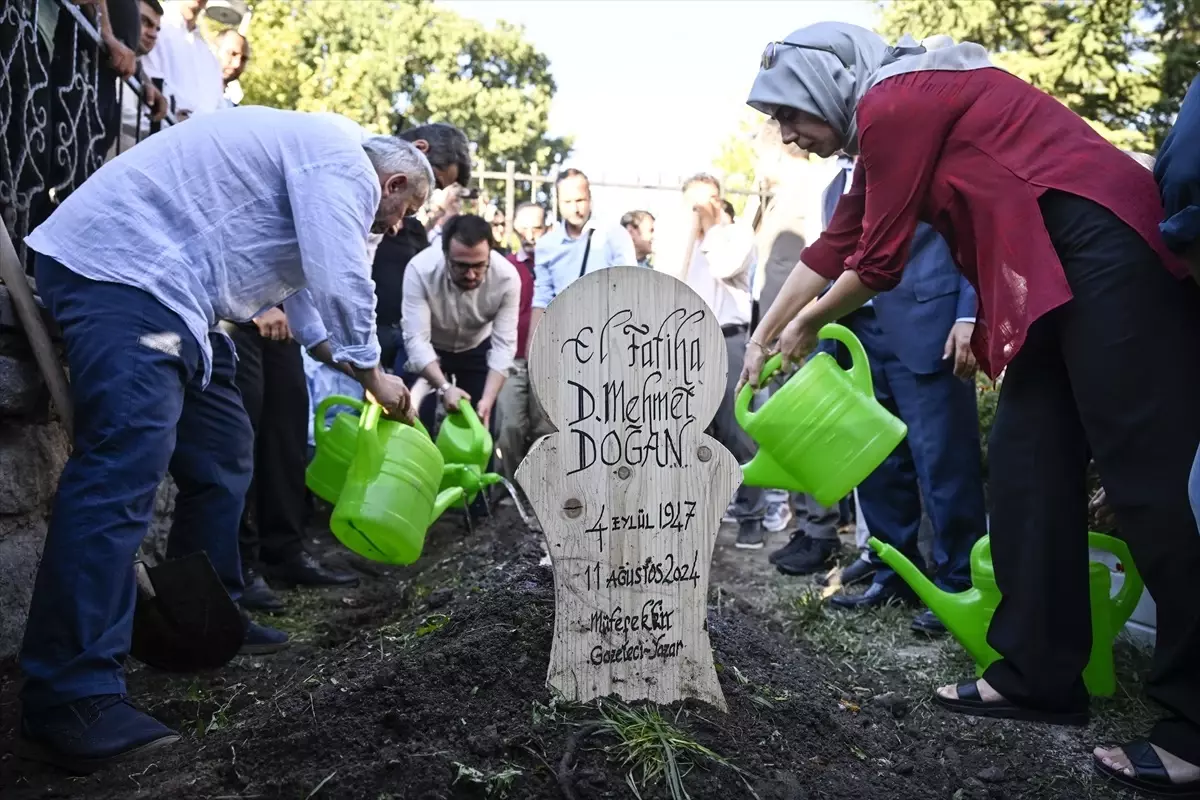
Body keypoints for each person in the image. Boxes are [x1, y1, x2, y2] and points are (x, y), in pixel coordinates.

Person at [742, 23, 1200, 794]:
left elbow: (877, 262)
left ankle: (1195, 722)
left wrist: (809, 322)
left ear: (825, 85)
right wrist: (763, 335)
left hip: (1107, 250)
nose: (786, 134)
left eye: (790, 113)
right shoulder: (883, 125)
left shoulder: (897, 101)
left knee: (1145, 482)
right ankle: (1035, 674)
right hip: (1050, 267)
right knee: (1024, 467)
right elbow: (834, 243)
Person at [17, 107, 429, 772]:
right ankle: (69, 695)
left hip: (184, 304)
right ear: (394, 183)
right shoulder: (343, 162)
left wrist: (354, 368)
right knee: (121, 470)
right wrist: (375, 372)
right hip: (125, 272)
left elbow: (309, 310)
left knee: (223, 453)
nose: (401, 226)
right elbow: (340, 280)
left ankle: (209, 620)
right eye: (408, 208)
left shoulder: (321, 170)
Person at [804, 154, 987, 638]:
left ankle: (959, 585)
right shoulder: (831, 188)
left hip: (930, 328)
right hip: (860, 336)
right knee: (879, 467)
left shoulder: (922, 157)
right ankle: (895, 576)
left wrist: (970, 314)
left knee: (945, 467)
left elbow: (975, 234)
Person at [679, 174, 766, 549]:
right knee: (689, 433)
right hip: (687, 341)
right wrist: (689, 233)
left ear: (717, 200)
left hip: (729, 338)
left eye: (703, 203)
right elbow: (673, 280)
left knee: (737, 432)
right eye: (692, 205)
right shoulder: (684, 240)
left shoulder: (737, 234)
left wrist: (712, 226)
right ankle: (694, 516)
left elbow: (725, 268)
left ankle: (752, 518)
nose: (697, 211)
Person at [401, 213, 520, 436]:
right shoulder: (419, 269)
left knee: (480, 426)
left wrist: (487, 401)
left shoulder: (507, 278)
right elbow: (416, 340)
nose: (471, 274)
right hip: (429, 346)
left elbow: (504, 346)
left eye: (479, 265)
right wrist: (444, 387)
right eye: (461, 266)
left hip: (476, 346)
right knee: (412, 422)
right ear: (445, 255)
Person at [529, 168, 638, 334]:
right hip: (562, 332)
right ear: (558, 202)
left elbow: (630, 285)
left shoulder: (614, 235)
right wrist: (533, 344)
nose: (575, 208)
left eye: (580, 200)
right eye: (567, 202)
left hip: (608, 330)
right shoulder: (546, 245)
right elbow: (542, 297)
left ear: (590, 199)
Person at [494, 202, 554, 482]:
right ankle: (505, 489)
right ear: (515, 230)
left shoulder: (556, 263)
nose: (530, 235)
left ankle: (541, 489)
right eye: (524, 228)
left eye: (537, 228)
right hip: (513, 358)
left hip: (551, 359)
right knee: (509, 425)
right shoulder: (505, 267)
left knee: (547, 429)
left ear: (548, 228)